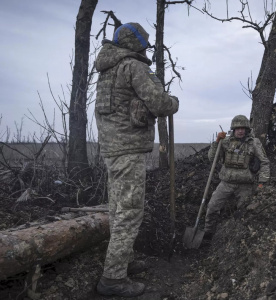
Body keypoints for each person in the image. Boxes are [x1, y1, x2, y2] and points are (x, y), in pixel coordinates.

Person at [94, 22, 179, 298]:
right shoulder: (133, 66)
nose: (145, 47)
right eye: (143, 42)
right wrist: (173, 102)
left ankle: (124, 261)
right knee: (130, 213)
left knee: (118, 209)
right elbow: (160, 103)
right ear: (135, 43)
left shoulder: (108, 69)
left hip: (111, 150)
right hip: (129, 150)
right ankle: (113, 279)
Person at [203, 115, 270, 241]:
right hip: (226, 183)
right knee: (212, 207)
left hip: (245, 185)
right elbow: (212, 159)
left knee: (244, 212)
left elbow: (265, 162)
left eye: (243, 128)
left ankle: (240, 238)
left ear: (247, 129)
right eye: (237, 128)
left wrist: (262, 182)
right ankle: (208, 234)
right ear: (233, 129)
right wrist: (217, 141)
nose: (240, 131)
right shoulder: (225, 142)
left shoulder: (254, 143)